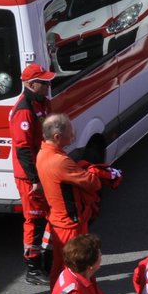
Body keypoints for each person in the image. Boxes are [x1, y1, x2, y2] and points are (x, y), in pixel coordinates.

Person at [37, 113, 103, 275]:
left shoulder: (42, 154)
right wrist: (93, 170)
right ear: (57, 136)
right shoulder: (60, 161)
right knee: (78, 269)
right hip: (70, 225)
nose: (73, 134)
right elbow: (93, 183)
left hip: (58, 221)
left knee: (60, 267)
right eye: (70, 131)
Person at [9, 63, 54, 286]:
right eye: (43, 82)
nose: (47, 85)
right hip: (30, 177)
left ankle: (46, 260)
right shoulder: (24, 109)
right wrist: (35, 179)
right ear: (30, 84)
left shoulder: (42, 102)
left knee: (47, 216)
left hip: (41, 171)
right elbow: (23, 148)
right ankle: (33, 268)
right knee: (34, 220)